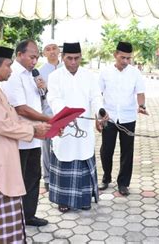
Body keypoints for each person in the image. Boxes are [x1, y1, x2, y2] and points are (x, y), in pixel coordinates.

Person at [0, 45, 51, 242]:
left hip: (2, 156)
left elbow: (11, 118)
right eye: (8, 65)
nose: (11, 70)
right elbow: (3, 125)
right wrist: (33, 130)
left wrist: (41, 129)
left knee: (10, 211)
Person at [47, 42, 109, 212]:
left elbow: (96, 97)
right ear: (63, 57)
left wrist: (100, 112)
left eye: (76, 58)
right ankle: (63, 200)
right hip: (64, 126)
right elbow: (53, 99)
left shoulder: (89, 76)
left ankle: (84, 199)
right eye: (69, 58)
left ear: (81, 57)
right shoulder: (55, 77)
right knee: (64, 160)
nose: (73, 62)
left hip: (84, 127)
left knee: (83, 158)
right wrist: (67, 114)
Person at [0, 40, 51, 227]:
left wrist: (42, 89)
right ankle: (13, 217)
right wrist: (47, 119)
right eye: (32, 56)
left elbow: (37, 101)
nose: (35, 60)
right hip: (19, 138)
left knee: (33, 176)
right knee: (17, 179)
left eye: (37, 57)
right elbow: (21, 109)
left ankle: (28, 215)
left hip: (34, 137)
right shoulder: (13, 75)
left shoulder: (32, 75)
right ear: (19, 54)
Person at [98, 41, 148, 196]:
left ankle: (123, 183)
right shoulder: (105, 72)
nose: (126, 61)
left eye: (128, 58)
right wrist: (98, 115)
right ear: (115, 54)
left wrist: (142, 106)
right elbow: (97, 94)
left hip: (128, 117)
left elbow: (140, 92)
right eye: (123, 58)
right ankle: (106, 178)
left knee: (127, 151)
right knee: (107, 150)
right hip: (109, 117)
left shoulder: (135, 73)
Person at [39, 39, 64, 192]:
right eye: (48, 49)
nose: (52, 51)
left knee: (62, 146)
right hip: (46, 114)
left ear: (59, 50)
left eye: (54, 48)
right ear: (44, 53)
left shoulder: (65, 68)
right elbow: (40, 93)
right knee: (46, 147)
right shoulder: (40, 71)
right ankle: (47, 178)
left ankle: (60, 175)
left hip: (63, 114)